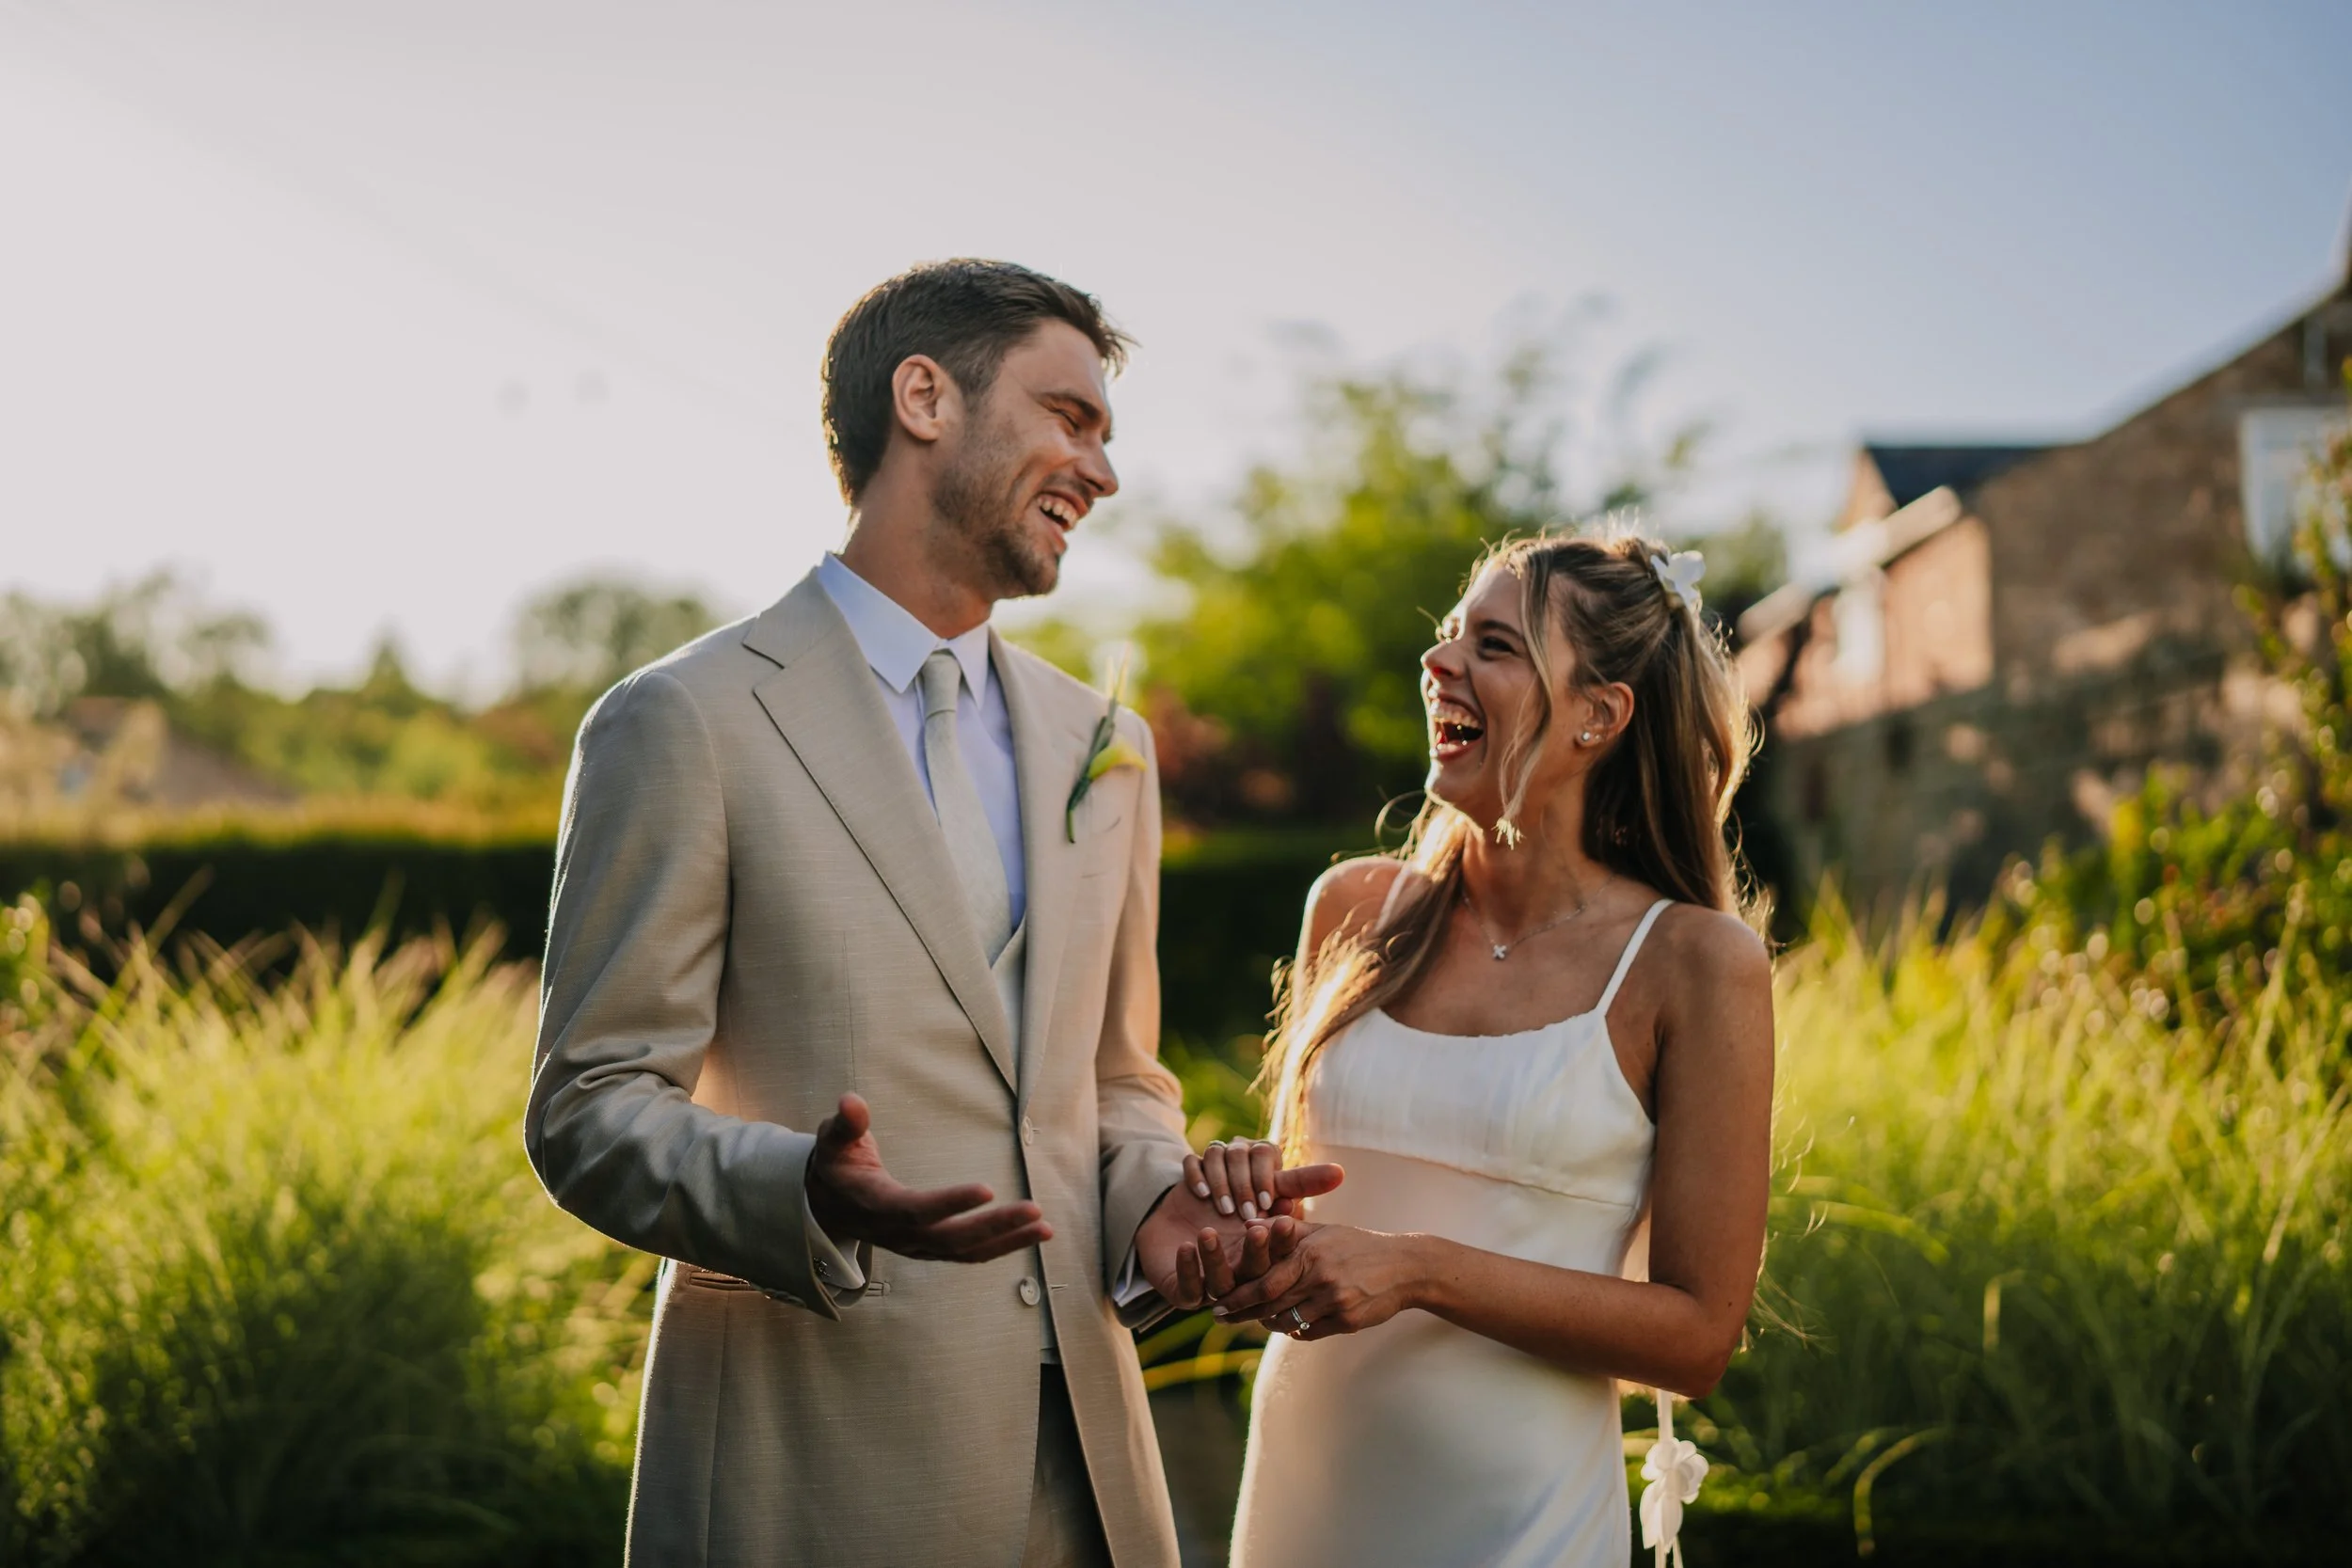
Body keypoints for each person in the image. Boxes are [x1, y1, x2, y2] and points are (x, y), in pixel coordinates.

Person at [525, 259, 1337, 1568]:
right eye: (1069, 416)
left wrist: (1156, 1207)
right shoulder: (686, 720)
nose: (1102, 471)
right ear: (924, 399)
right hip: (810, 1466)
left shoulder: (1106, 744)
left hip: (1087, 1468)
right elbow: (587, 1106)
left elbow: (1116, 1083)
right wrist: (800, 1186)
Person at [1205, 532, 1775, 1568]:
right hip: (1305, 1497)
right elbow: (1299, 1220)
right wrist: (1234, 1212)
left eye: (1496, 643)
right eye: (1447, 634)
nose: (1439, 662)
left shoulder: (1694, 962)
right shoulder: (1351, 908)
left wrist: (1421, 1269)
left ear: (1598, 715)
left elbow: (1696, 1337)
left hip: (1524, 1527)